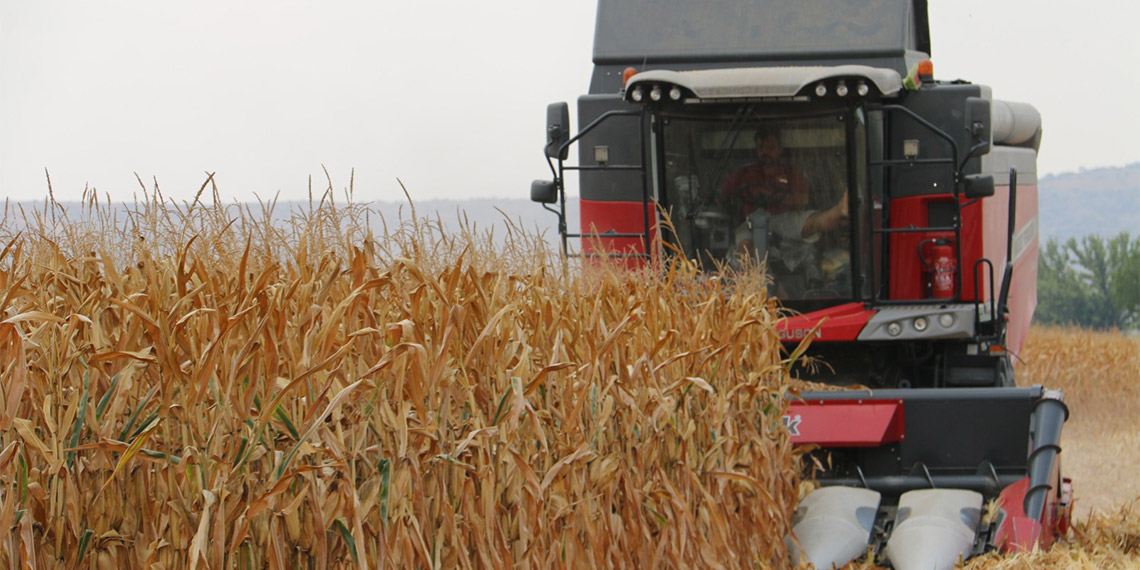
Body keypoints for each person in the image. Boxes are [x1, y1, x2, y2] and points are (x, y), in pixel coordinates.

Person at [719, 129, 848, 252]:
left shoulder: (792, 172)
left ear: (780, 149)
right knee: (744, 242)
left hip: (784, 219)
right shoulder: (743, 173)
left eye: (770, 147)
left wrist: (774, 195)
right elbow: (721, 195)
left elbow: (803, 200)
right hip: (750, 221)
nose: (764, 151)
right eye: (760, 147)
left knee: (811, 223)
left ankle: (840, 210)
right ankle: (754, 273)